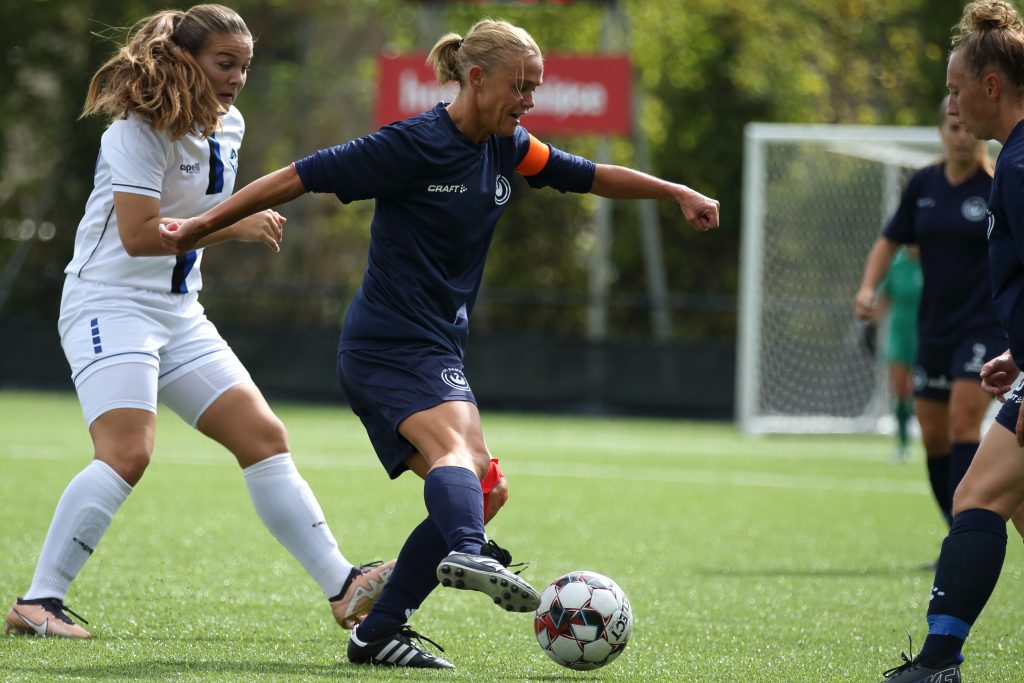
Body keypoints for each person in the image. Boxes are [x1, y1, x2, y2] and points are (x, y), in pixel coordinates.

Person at [159, 17, 720, 670]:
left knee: (485, 488)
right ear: (476, 79)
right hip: (386, 345)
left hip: (435, 349)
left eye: (536, 89)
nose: (530, 102)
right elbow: (298, 175)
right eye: (521, 87)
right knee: (458, 459)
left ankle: (380, 629)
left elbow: (589, 175)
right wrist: (202, 224)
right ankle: (469, 550)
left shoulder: (509, 147)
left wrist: (673, 191)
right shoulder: (413, 144)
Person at [3, 4, 393, 640]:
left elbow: (191, 218)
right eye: (224, 63)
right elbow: (134, 237)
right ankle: (38, 602)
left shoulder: (229, 123)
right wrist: (232, 226)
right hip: (109, 304)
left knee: (264, 438)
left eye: (244, 65)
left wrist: (221, 225)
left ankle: (344, 587)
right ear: (185, 57)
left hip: (179, 314)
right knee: (127, 452)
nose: (237, 77)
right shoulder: (136, 129)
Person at [879, 1, 1024, 680]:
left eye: (955, 85)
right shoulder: (1013, 162)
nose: (952, 101)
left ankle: (938, 663)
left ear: (990, 86)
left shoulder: (1019, 170)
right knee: (1011, 503)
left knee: (976, 497)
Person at [854, 93, 1002, 539]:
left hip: (983, 326)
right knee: (934, 436)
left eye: (965, 127)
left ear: (977, 132)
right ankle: (957, 531)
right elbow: (889, 240)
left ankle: (967, 539)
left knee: (962, 422)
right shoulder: (923, 185)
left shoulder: (998, 184)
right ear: (941, 132)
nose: (960, 135)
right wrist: (867, 288)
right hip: (933, 328)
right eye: (951, 127)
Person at [874, 246, 924, 462]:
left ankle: (935, 439)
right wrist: (871, 326)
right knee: (900, 388)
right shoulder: (896, 265)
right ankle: (903, 444)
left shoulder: (933, 263)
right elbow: (884, 300)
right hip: (898, 333)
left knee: (923, 390)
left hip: (926, 334)